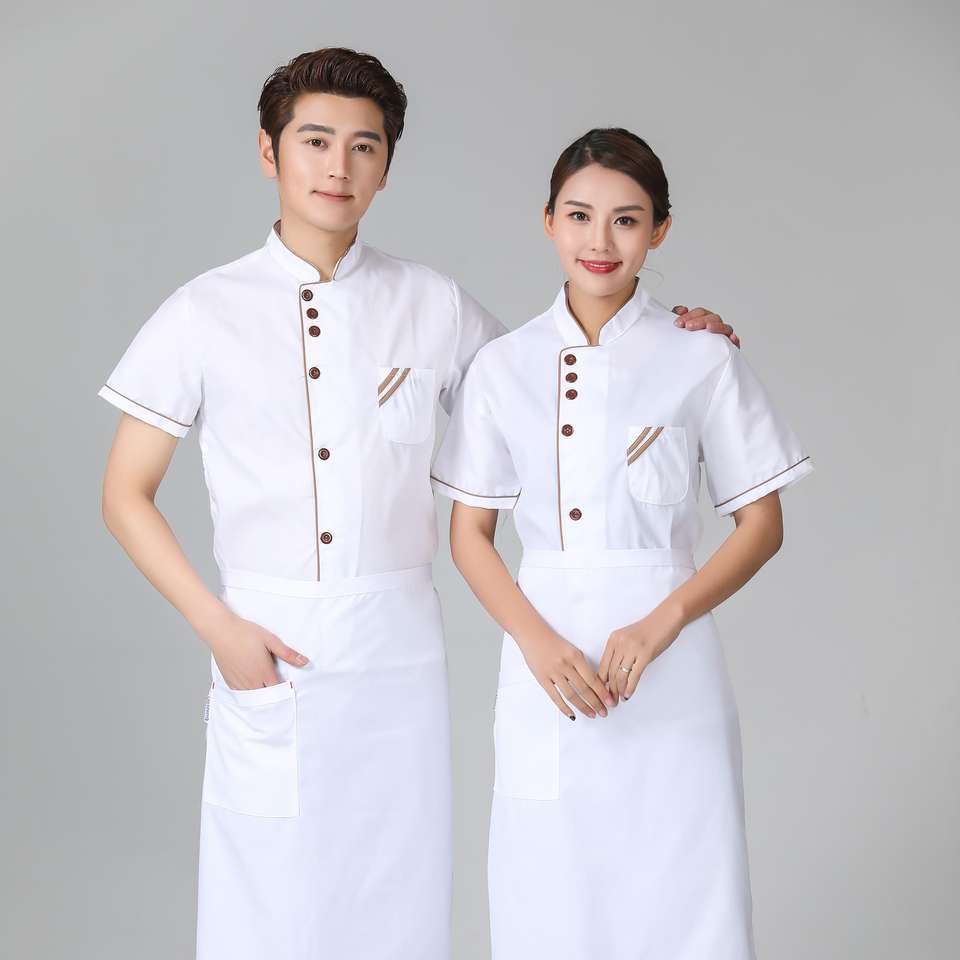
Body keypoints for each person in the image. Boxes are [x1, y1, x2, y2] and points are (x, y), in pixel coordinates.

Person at [97, 48, 737, 960]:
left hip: (400, 654)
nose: (338, 166)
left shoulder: (432, 304)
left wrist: (675, 336)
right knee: (265, 904)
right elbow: (126, 494)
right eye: (315, 141)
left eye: (364, 146)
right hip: (265, 643)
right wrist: (219, 628)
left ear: (387, 166)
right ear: (269, 153)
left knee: (399, 903)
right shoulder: (204, 312)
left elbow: (559, 375)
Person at [430, 127, 814, 959]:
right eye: (579, 216)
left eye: (627, 220)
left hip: (673, 671)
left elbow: (763, 526)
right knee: (547, 899)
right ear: (547, 221)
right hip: (544, 669)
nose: (599, 241)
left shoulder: (700, 357)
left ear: (659, 231)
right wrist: (536, 644)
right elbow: (469, 536)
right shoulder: (503, 366)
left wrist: (660, 622)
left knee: (685, 899)